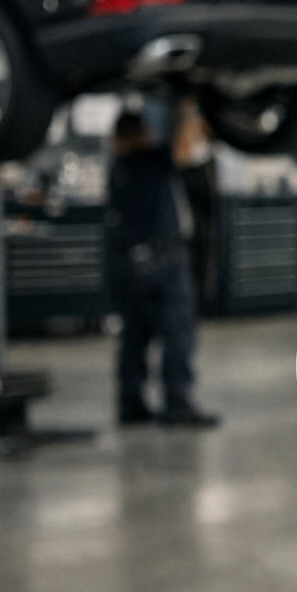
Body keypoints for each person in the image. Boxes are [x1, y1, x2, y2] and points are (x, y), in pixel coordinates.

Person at [108, 106, 219, 428]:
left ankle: (131, 404)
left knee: (135, 337)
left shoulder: (118, 167)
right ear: (139, 135)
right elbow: (185, 149)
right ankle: (177, 405)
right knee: (177, 334)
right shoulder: (150, 161)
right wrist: (187, 109)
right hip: (165, 262)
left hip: (131, 263)